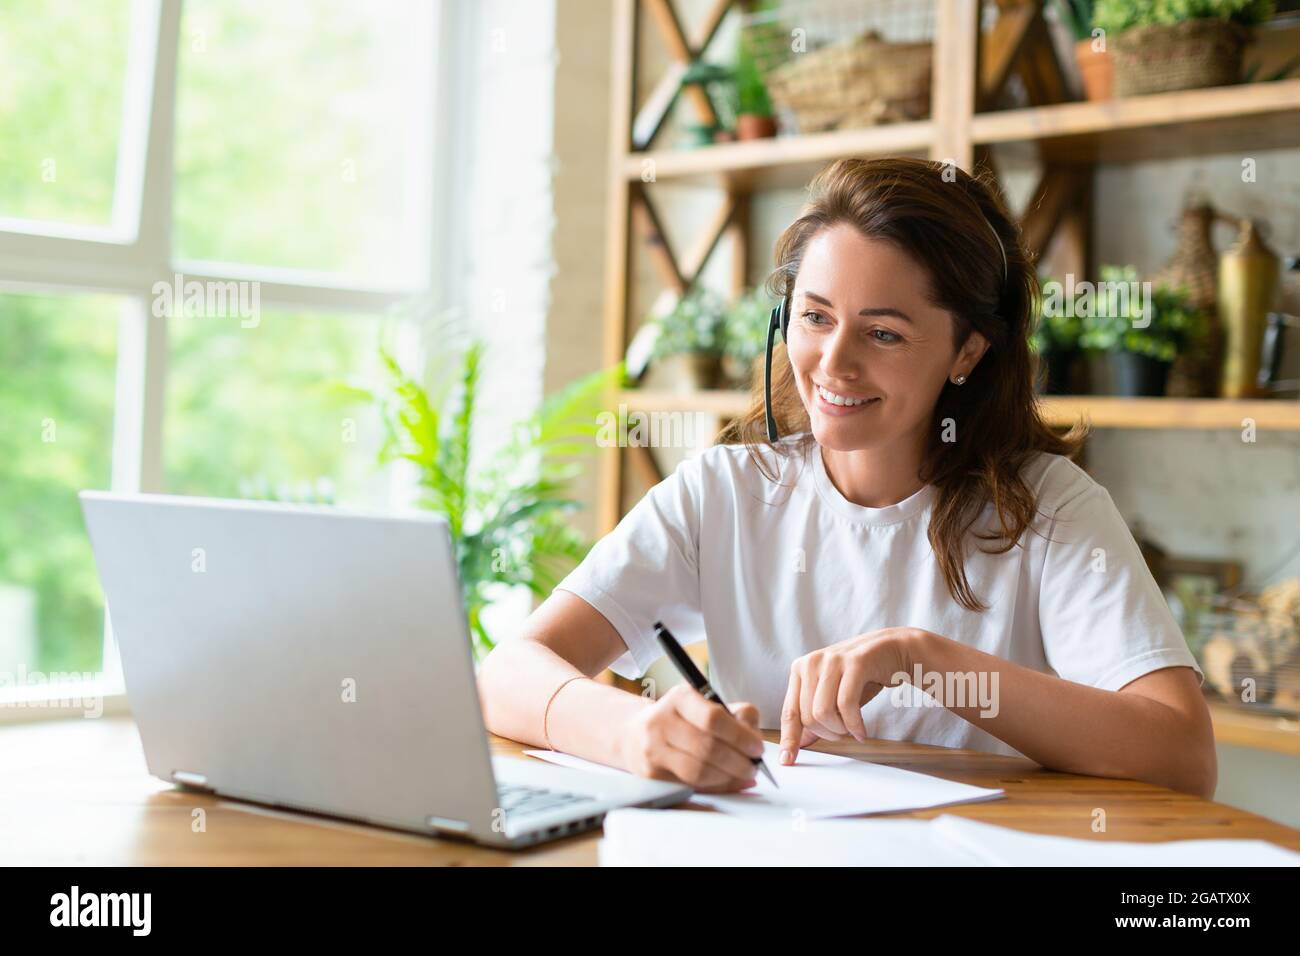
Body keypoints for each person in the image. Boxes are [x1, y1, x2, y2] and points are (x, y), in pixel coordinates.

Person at [478, 157, 1215, 798]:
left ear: (966, 353)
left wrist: (925, 659)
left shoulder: (1049, 509)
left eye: (884, 333)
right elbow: (505, 674)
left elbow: (1182, 753)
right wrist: (634, 734)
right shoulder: (721, 496)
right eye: (816, 317)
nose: (833, 364)